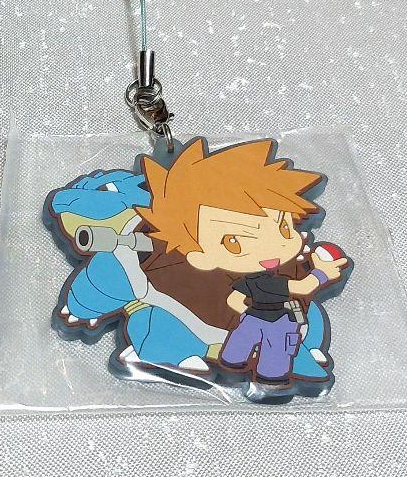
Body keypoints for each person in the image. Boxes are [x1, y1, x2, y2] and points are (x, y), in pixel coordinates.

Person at [140, 138, 348, 386]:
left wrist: (248, 312)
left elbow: (234, 300)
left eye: (283, 227)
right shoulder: (271, 281)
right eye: (234, 242)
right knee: (275, 353)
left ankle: (234, 361)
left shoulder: (249, 280)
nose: (274, 246)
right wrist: (322, 272)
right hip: (273, 323)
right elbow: (303, 287)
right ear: (200, 257)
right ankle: (270, 375)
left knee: (239, 345)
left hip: (251, 319)